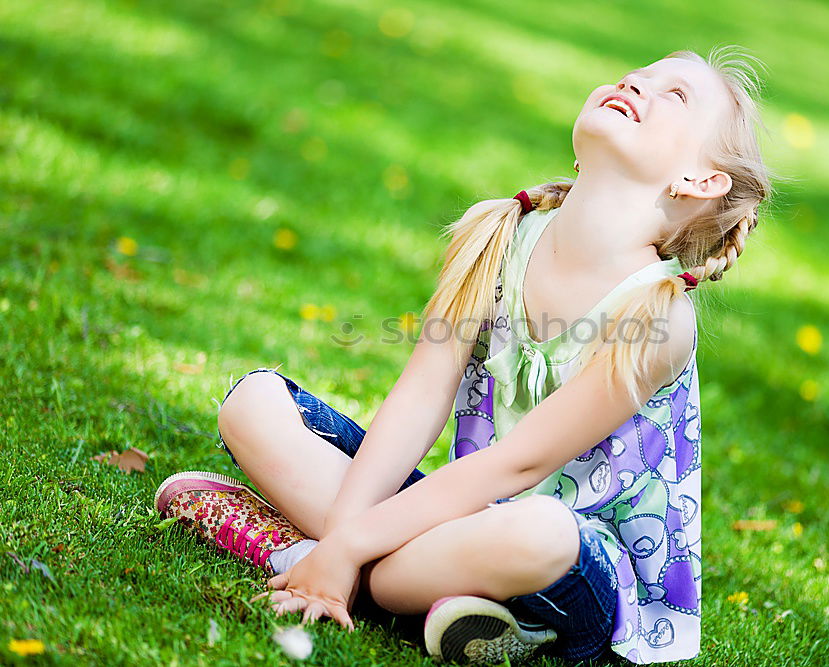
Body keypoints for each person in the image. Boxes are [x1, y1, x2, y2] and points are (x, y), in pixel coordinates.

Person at [153, 45, 774, 665]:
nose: (637, 80)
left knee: (541, 530)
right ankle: (419, 595)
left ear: (700, 181)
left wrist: (345, 545)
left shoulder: (658, 316)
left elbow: (519, 467)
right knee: (254, 403)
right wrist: (349, 535)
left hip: (575, 567)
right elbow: (421, 396)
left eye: (674, 94)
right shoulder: (497, 233)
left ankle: (303, 557)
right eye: (642, 71)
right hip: (460, 519)